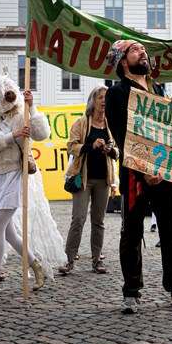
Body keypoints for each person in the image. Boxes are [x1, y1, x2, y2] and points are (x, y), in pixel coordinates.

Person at [104, 40, 172, 312]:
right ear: (123, 61)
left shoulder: (158, 89)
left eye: (143, 49)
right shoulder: (116, 94)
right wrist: (142, 170)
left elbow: (169, 128)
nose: (143, 53)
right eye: (136, 50)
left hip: (165, 173)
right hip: (136, 176)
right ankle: (131, 292)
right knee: (131, 233)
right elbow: (122, 134)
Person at [0, 74, 64, 297]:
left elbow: (42, 133)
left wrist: (33, 108)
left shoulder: (22, 115)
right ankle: (35, 264)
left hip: (16, 176)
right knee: (8, 233)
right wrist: (12, 136)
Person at [61, 86, 117, 275]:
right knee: (78, 219)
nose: (103, 101)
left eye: (106, 98)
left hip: (104, 179)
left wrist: (112, 151)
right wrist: (90, 145)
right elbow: (71, 147)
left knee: (98, 221)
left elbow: (118, 152)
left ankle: (97, 260)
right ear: (93, 101)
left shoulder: (111, 125)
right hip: (83, 178)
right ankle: (68, 259)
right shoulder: (81, 122)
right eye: (100, 98)